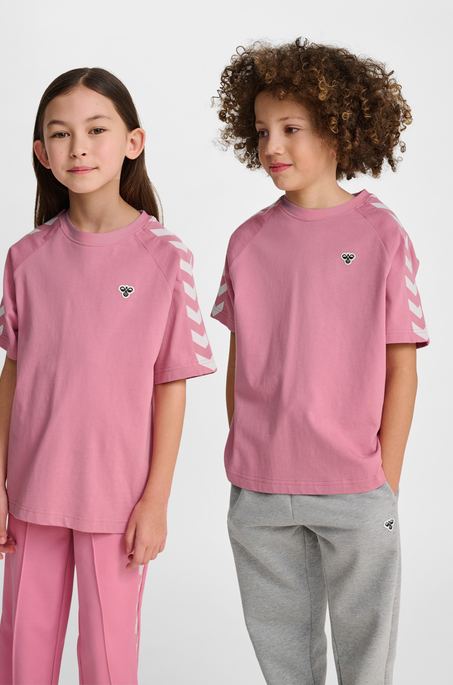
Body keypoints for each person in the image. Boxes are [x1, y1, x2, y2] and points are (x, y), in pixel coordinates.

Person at [0, 67, 216, 685]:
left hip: (119, 498)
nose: (78, 147)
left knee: (109, 660)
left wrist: (156, 500)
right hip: (32, 490)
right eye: (60, 134)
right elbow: (13, 374)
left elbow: (171, 385)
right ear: (42, 152)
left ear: (133, 142)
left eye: (96, 129)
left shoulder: (166, 256)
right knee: (23, 653)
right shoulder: (26, 257)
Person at [211, 38, 428, 685]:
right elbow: (240, 364)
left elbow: (402, 366)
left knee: (367, 661)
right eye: (261, 131)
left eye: (291, 128)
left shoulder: (382, 235)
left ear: (339, 128)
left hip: (356, 486)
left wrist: (384, 480)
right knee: (284, 663)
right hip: (260, 491)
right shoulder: (246, 242)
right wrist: (249, 453)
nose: (271, 145)